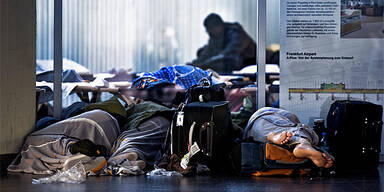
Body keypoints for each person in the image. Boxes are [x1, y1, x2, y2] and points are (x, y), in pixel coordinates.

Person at [245, 107, 334, 168]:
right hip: (261, 120)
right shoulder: (284, 117)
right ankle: (302, 144)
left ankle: (273, 136)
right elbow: (293, 121)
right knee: (302, 132)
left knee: (300, 134)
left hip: (253, 133)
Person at [188, 13, 256, 74]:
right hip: (238, 68)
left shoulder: (235, 32)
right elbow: (206, 53)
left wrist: (202, 65)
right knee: (200, 51)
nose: (209, 33)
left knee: (226, 62)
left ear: (218, 26)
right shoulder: (216, 37)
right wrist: (192, 66)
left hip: (254, 66)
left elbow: (228, 54)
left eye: (209, 30)